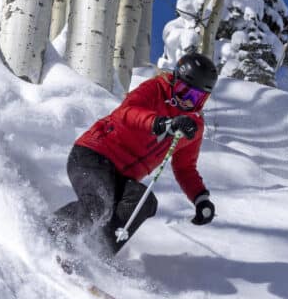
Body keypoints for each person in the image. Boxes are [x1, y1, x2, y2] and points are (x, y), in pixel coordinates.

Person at [50, 52, 218, 257]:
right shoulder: (155, 89)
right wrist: (162, 123)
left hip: (120, 177)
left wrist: (200, 198)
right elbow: (127, 113)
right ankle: (52, 234)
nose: (186, 102)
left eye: (195, 98)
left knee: (143, 201)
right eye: (183, 91)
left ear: (205, 99)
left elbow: (185, 167)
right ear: (174, 80)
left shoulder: (194, 127)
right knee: (98, 203)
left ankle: (97, 254)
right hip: (93, 155)